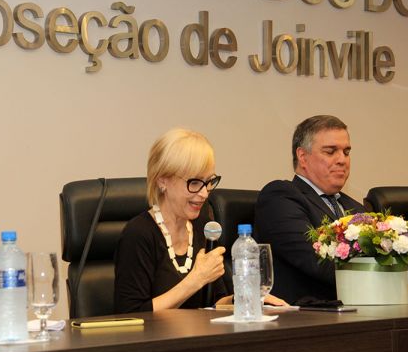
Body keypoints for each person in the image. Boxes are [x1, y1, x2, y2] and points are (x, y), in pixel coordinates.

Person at [114, 128, 285, 313]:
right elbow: (131, 314)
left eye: (209, 182)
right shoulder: (138, 234)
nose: (204, 193)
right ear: (162, 181)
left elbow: (214, 302)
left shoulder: (204, 227)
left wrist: (245, 298)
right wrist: (196, 280)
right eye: (194, 183)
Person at [254, 115, 365, 304]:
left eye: (346, 152)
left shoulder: (356, 208)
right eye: (330, 151)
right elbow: (317, 262)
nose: (342, 160)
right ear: (303, 157)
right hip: (305, 313)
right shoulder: (280, 197)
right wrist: (382, 279)